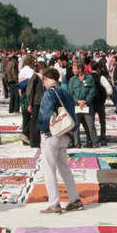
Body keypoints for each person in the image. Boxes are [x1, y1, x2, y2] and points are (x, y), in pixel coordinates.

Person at [37, 67, 83, 214]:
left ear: (46, 79)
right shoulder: (66, 92)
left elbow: (45, 115)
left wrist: (41, 129)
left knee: (49, 168)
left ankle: (54, 203)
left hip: (52, 134)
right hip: (65, 133)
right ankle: (75, 199)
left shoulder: (49, 93)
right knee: (64, 168)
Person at [69, 62, 98, 148]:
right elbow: (70, 93)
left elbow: (92, 91)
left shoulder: (90, 78)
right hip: (76, 106)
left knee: (91, 125)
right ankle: (77, 144)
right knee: (76, 126)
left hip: (87, 106)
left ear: (80, 69)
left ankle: (94, 143)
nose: (73, 70)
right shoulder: (72, 80)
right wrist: (78, 101)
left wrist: (85, 101)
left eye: (74, 69)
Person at [25, 61, 45, 148]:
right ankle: (34, 141)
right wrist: (30, 104)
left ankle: (37, 140)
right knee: (34, 122)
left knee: (38, 122)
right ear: (41, 69)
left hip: (40, 102)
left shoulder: (41, 77)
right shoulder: (35, 77)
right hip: (36, 102)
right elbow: (30, 91)